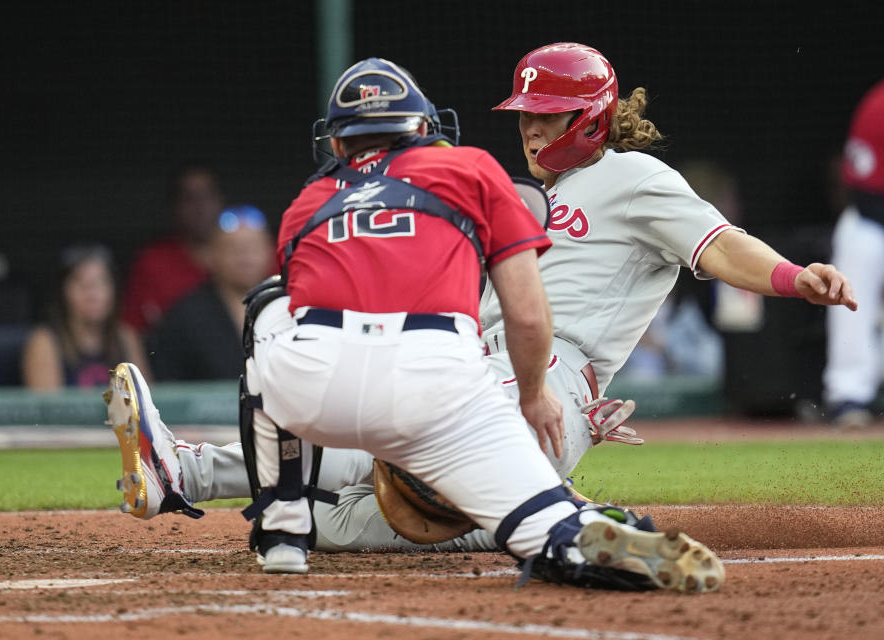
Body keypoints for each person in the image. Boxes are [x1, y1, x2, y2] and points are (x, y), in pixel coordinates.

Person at [105, 43, 858, 564]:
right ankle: (187, 472)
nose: (530, 127)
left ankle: (570, 523)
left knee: (395, 517)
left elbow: (720, 245)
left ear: (590, 118)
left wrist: (795, 277)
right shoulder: (517, 187)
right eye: (525, 114)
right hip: (473, 362)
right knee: (373, 433)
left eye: (548, 114)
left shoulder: (635, 178)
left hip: (550, 382)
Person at [148, 204, 275, 381]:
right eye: (233, 248)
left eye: (253, 247)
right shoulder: (185, 315)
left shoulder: (289, 308)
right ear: (211, 255)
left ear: (269, 251)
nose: (245, 256)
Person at [823, 79, 884, 427]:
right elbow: (866, 195)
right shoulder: (878, 106)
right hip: (873, 219)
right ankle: (849, 394)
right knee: (860, 247)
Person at [119, 164, 226, 336]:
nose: (200, 208)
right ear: (174, 206)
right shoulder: (152, 263)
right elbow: (130, 328)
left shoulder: (246, 257)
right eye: (189, 198)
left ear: (220, 200)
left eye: (206, 197)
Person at [23, 244, 138, 389]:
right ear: (63, 291)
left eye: (101, 282)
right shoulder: (44, 341)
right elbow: (49, 409)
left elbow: (145, 403)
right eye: (81, 283)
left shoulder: (125, 337)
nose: (92, 293)